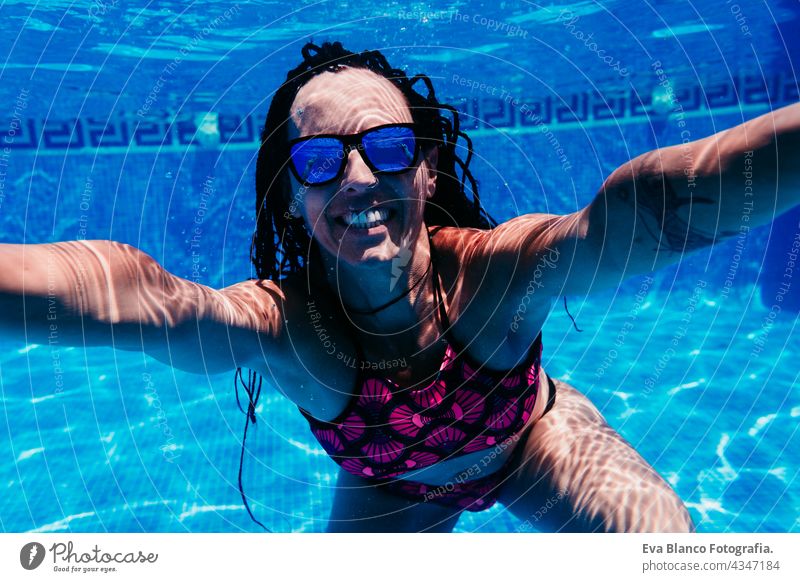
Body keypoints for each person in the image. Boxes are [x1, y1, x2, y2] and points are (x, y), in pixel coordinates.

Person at [2, 41, 797, 533]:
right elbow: (142, 298)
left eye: (385, 148)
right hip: (388, 489)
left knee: (670, 546)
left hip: (531, 448)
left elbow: (648, 215)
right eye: (319, 162)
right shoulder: (293, 330)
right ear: (293, 198)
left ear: (426, 167)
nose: (356, 177)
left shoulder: (494, 276)